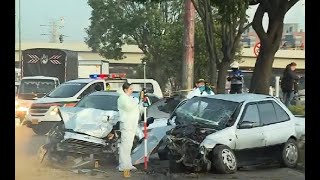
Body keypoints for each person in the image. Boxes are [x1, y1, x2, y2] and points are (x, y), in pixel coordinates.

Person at [117, 82, 142, 171]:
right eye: (130, 89)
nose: (132, 91)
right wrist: (135, 101)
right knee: (125, 146)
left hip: (132, 125)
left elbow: (136, 108)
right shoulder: (122, 98)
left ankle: (128, 164)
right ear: (125, 90)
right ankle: (123, 165)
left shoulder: (130, 98)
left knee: (129, 146)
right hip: (126, 125)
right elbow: (128, 107)